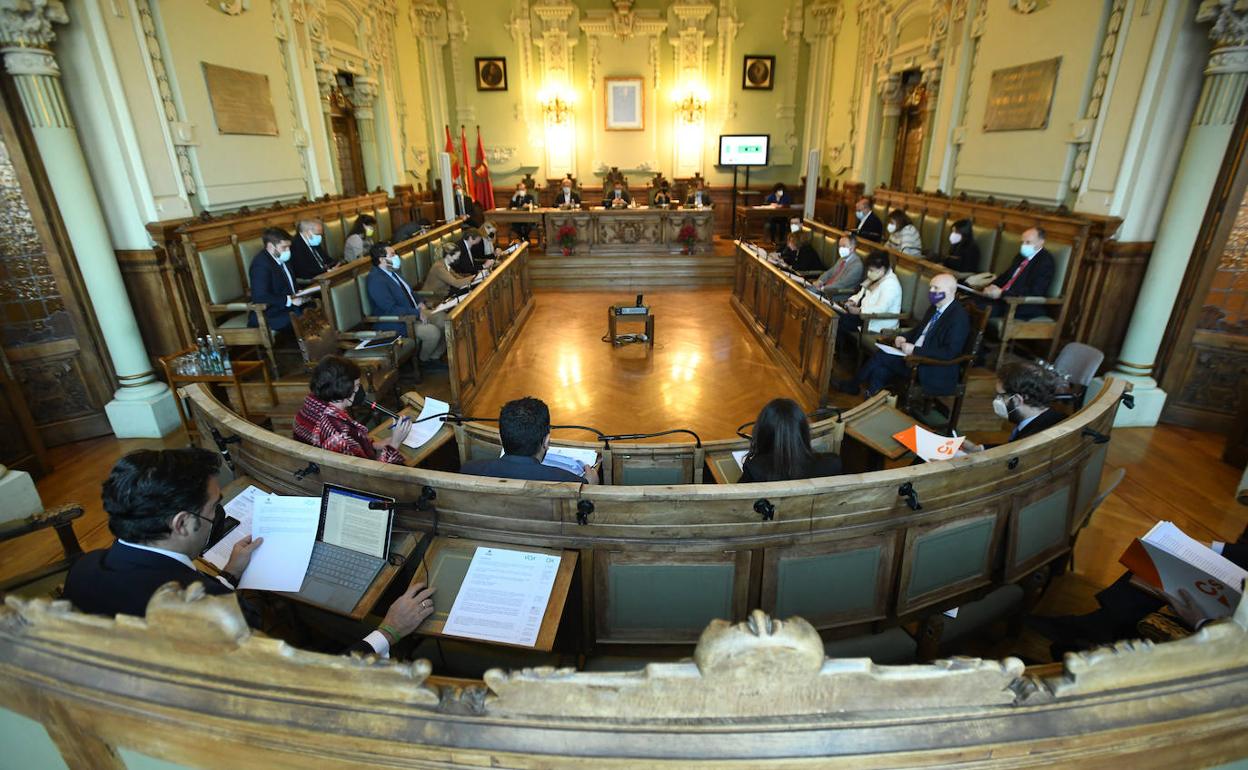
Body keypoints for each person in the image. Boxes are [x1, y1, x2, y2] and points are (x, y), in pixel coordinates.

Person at [63, 447, 435, 657]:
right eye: (213, 510)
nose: (218, 516)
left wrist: (228, 575)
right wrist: (389, 630)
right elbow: (310, 685)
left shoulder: (84, 570)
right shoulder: (218, 613)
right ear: (181, 523)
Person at [837, 273, 969, 397]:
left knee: (882, 356)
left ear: (951, 291)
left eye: (936, 288)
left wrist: (914, 350)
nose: (931, 291)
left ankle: (853, 385)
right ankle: (871, 400)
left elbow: (950, 352)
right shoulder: (935, 307)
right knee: (881, 370)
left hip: (931, 367)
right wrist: (904, 337)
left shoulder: (958, 317)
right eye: (931, 287)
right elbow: (919, 330)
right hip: (913, 357)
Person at [294, 355, 415, 463]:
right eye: (356, 386)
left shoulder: (311, 407)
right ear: (344, 388)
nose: (358, 390)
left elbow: (350, 444)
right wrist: (395, 444)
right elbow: (370, 477)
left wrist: (376, 445)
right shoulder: (337, 433)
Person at [459, 397, 600, 484]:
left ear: (501, 439)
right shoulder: (571, 482)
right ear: (546, 441)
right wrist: (590, 484)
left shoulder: (469, 470)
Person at [364, 244, 447, 368]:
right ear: (381, 260)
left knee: (444, 319)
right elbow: (390, 309)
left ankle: (434, 356)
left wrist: (420, 302)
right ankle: (424, 361)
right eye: (392, 255)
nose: (396, 257)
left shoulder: (392, 272)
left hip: (412, 312)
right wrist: (417, 313)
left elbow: (410, 292)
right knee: (432, 332)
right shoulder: (376, 280)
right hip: (396, 321)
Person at [961, 362, 1064, 452]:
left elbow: (1014, 454)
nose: (996, 401)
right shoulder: (1053, 418)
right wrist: (979, 449)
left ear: (1017, 400)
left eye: (1000, 396)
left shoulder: (1032, 441)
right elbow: (1012, 448)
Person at [739, 398, 843, 483]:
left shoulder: (754, 470)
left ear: (763, 433)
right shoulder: (833, 463)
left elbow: (735, 503)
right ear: (803, 431)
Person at [979, 226, 1055, 319]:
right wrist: (991, 286)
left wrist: (1002, 293)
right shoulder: (1021, 255)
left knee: (980, 309)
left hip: (1019, 305)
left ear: (1041, 242)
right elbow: (1006, 276)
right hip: (1003, 298)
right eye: (1022, 242)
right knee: (970, 301)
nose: (1023, 246)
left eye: (1028, 242)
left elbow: (1034, 291)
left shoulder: (1045, 262)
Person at [834, 250, 902, 350]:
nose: (869, 273)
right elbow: (861, 294)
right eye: (868, 270)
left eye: (871, 270)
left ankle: (836, 351)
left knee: (838, 320)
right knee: (834, 314)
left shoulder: (891, 285)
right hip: (862, 317)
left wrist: (860, 311)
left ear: (882, 269)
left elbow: (881, 308)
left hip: (875, 323)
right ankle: (837, 350)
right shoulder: (875, 277)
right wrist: (852, 301)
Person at [247, 227, 306, 331]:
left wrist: (298, 292)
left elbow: (288, 284)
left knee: (316, 307)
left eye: (289, 247)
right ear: (270, 246)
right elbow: (260, 297)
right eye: (284, 247)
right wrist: (289, 300)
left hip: (287, 307)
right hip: (270, 313)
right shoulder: (260, 265)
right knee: (304, 316)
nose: (288, 251)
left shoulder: (282, 257)